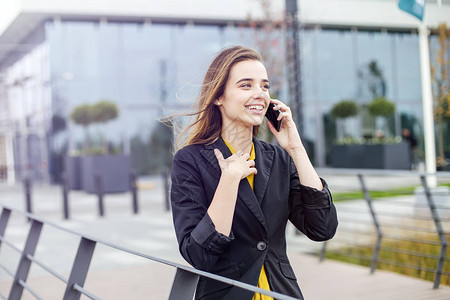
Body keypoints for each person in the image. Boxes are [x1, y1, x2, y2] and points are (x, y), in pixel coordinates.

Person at [170, 46, 338, 300]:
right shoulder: (190, 160)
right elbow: (198, 255)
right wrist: (228, 181)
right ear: (219, 97)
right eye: (246, 85)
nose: (259, 94)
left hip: (280, 292)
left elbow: (322, 228)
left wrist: (296, 148)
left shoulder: (279, 158)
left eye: (264, 86)